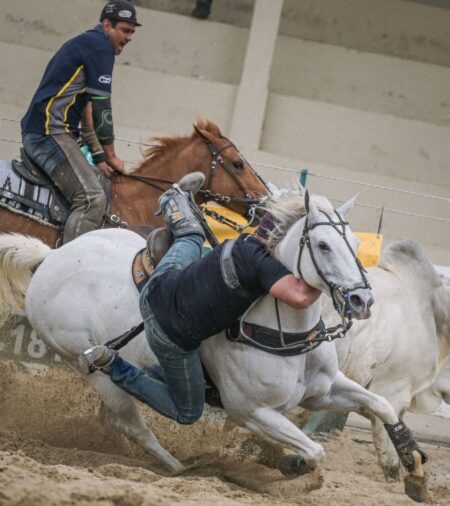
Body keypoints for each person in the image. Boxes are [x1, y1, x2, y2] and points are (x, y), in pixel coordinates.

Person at [80, 172, 321, 425]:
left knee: (191, 236)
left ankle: (174, 200)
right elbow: (301, 298)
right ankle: (113, 365)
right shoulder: (264, 266)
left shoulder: (244, 242)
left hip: (161, 281)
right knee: (187, 412)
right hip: (169, 332)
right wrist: (327, 279)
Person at [20, 0, 141, 243]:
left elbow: (87, 113)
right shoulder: (100, 48)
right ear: (106, 25)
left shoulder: (90, 44)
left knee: (99, 184)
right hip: (49, 133)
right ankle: (69, 263)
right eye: (125, 30)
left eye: (132, 32)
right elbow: (101, 108)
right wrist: (112, 155)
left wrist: (100, 157)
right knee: (92, 199)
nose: (129, 37)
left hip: (49, 132)